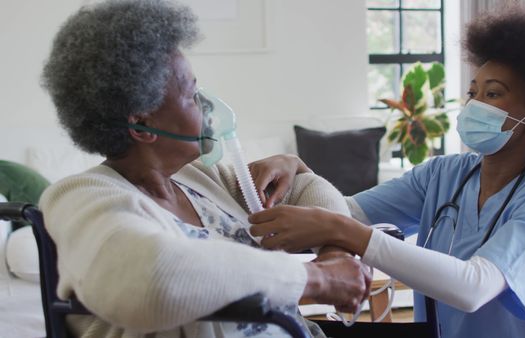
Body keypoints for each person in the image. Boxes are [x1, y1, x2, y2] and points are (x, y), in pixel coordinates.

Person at [247, 7, 525, 338]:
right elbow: (345, 212)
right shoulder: (443, 175)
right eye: (473, 92)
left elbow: (474, 287)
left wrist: (348, 233)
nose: (475, 105)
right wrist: (298, 169)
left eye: (493, 94)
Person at [39, 1, 370, 337]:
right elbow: (156, 279)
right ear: (142, 124)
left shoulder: (197, 177)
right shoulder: (81, 198)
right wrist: (319, 279)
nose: (208, 106)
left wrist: (336, 253)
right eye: (191, 94)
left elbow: (304, 187)